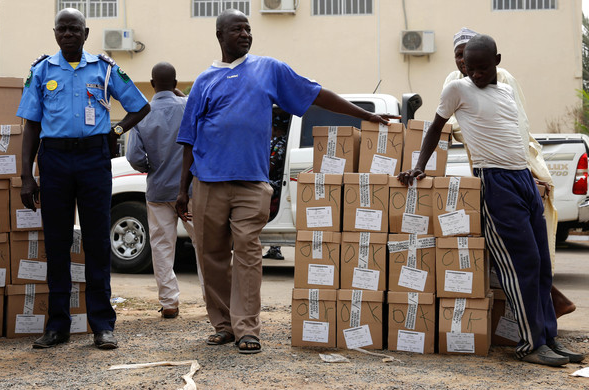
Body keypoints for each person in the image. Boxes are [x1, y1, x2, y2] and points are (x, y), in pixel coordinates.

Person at [175, 8, 390, 354]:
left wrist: (364, 115)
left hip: (251, 183)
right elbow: (188, 139)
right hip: (207, 182)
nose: (245, 34)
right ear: (220, 35)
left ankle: (247, 329)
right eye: (237, 29)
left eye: (248, 28)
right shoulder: (203, 81)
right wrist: (182, 189)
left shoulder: (269, 69)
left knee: (248, 252)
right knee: (211, 256)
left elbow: (315, 92)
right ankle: (223, 325)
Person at [398, 34, 584, 366]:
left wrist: (535, 176)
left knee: (542, 264)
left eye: (483, 68)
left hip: (523, 178)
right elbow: (435, 128)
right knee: (521, 264)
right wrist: (418, 166)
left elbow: (517, 136)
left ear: (497, 61)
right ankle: (530, 344)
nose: (476, 75)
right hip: (495, 182)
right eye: (470, 68)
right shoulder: (457, 89)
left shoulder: (508, 90)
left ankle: (549, 339)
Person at [17, 8, 149, 349]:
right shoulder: (41, 70)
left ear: (86, 33)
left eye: (74, 29)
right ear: (55, 33)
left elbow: (140, 105)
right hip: (55, 160)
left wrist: (116, 130)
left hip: (93, 159)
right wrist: (26, 176)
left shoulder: (104, 69)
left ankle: (102, 325)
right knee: (57, 243)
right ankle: (58, 325)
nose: (68, 34)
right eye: (62, 29)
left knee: (97, 242)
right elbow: (31, 125)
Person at [446, 27, 576, 319]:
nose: (468, 67)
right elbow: (448, 124)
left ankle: (543, 319)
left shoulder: (503, 81)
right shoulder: (455, 83)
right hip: (486, 171)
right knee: (513, 251)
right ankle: (533, 319)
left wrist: (529, 174)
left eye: (478, 62)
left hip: (518, 169)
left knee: (530, 255)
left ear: (493, 61)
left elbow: (517, 128)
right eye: (461, 57)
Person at [126, 62, 205, 319]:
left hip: (159, 190)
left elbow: (134, 157)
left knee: (161, 246)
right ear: (175, 83)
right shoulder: (188, 106)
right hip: (192, 189)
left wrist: (154, 167)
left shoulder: (141, 113)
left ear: (151, 84)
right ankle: (212, 299)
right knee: (204, 244)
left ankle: (169, 303)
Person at [263, 110, 290, 261]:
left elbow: (270, 167)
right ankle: (274, 248)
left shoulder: (280, 143)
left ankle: (274, 247)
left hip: (277, 183)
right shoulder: (276, 141)